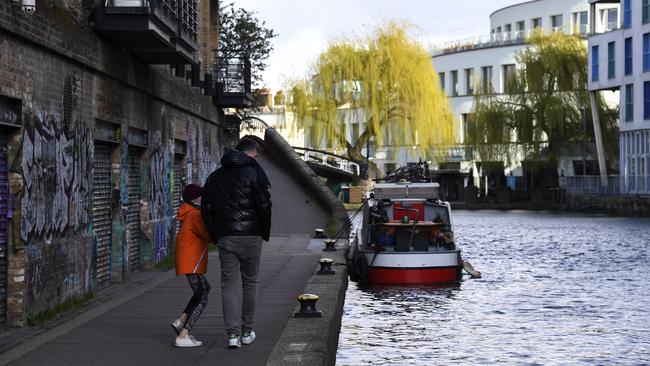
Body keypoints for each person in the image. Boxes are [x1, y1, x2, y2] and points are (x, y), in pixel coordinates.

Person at [201, 138, 272, 349]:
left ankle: (232, 335)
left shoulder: (215, 177)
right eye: (256, 155)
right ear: (250, 153)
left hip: (226, 237)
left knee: (229, 285)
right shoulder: (254, 174)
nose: (257, 159)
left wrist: (216, 234)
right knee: (250, 282)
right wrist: (264, 233)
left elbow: (206, 209)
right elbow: (264, 206)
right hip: (251, 235)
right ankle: (247, 331)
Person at [171, 184, 211, 348]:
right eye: (201, 196)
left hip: (189, 259)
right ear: (196, 198)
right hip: (191, 260)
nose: (203, 198)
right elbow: (207, 235)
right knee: (202, 297)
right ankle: (183, 334)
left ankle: (181, 321)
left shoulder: (187, 211)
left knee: (204, 289)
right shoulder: (194, 214)